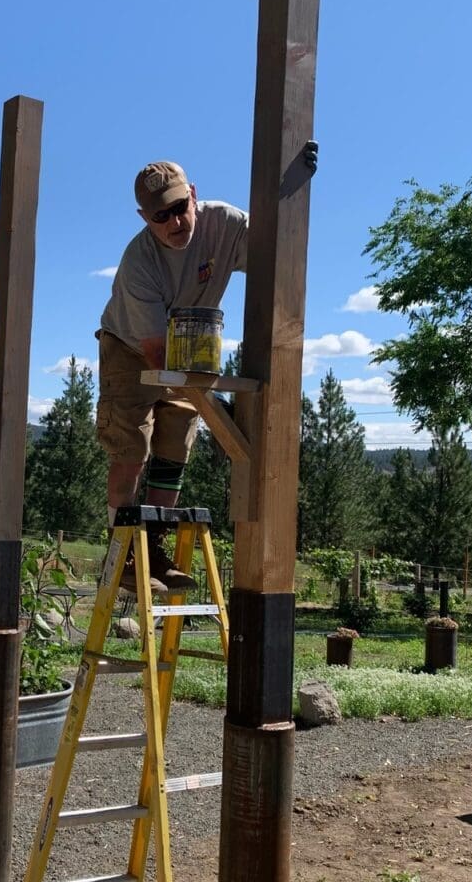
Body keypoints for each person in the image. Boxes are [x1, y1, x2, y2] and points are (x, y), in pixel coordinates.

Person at [95, 152, 315, 593]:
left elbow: (279, 244)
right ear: (144, 217)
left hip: (189, 343)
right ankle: (124, 555)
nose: (175, 222)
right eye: (162, 216)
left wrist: (294, 186)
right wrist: (210, 403)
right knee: (131, 447)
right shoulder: (140, 263)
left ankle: (153, 548)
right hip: (131, 348)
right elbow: (158, 355)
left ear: (194, 195)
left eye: (180, 207)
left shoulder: (226, 223)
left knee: (176, 445)